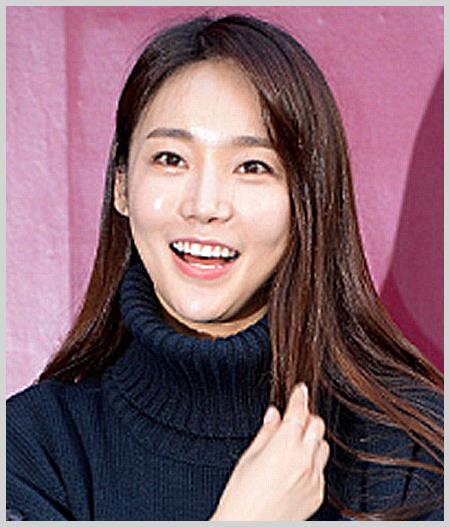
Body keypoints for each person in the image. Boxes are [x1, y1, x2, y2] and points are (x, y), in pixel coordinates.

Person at [6, 14, 443, 521]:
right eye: (171, 159)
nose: (205, 205)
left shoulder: (409, 452)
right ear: (122, 184)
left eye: (252, 167)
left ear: (306, 201)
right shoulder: (30, 450)